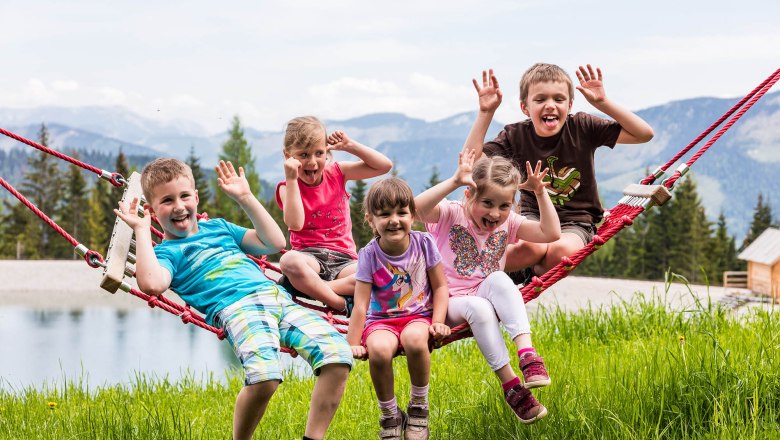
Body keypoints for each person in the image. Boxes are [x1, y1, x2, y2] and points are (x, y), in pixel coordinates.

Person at [115, 158, 353, 440]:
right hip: (238, 309)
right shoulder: (168, 254)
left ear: (196, 197)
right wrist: (142, 231)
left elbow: (274, 243)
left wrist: (245, 197)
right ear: (152, 211)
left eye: (184, 196)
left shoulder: (219, 228)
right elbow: (152, 284)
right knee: (264, 377)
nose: (179, 206)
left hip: (277, 297)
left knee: (338, 355)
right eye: (167, 200)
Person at [462, 64, 654, 282]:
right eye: (540, 99)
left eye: (559, 99)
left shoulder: (582, 126)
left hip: (577, 221)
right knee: (531, 248)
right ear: (525, 107)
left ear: (569, 105)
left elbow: (643, 134)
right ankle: (470, 278)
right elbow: (472, 163)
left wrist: (602, 103)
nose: (550, 105)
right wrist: (485, 113)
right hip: (533, 215)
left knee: (559, 252)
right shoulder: (516, 136)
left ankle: (528, 274)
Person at [415, 150, 560, 424]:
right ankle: (511, 387)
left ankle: (528, 355)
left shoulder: (510, 223)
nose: (495, 214)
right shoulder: (450, 213)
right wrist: (454, 181)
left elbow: (551, 233)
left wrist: (541, 193)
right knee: (480, 308)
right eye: (487, 203)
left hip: (482, 288)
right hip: (445, 301)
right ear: (469, 195)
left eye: (504, 206)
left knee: (501, 279)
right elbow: (415, 209)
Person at [346, 177, 451, 440]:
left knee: (415, 340)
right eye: (384, 214)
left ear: (413, 215)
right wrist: (353, 343)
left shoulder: (424, 243)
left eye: (401, 212)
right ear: (371, 220)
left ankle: (418, 407)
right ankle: (390, 414)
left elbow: (440, 287)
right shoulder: (369, 254)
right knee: (379, 351)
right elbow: (360, 304)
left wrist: (438, 322)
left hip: (418, 316)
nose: (394, 220)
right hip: (380, 321)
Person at [276, 116, 393, 314]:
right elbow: (295, 224)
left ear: (327, 151)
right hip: (309, 259)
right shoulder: (287, 187)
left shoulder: (338, 172)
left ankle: (312, 288)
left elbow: (384, 166)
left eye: (319, 153)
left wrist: (350, 146)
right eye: (303, 155)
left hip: (345, 261)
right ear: (288, 156)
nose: (312, 162)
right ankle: (340, 303)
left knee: (382, 273)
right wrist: (292, 178)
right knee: (289, 261)